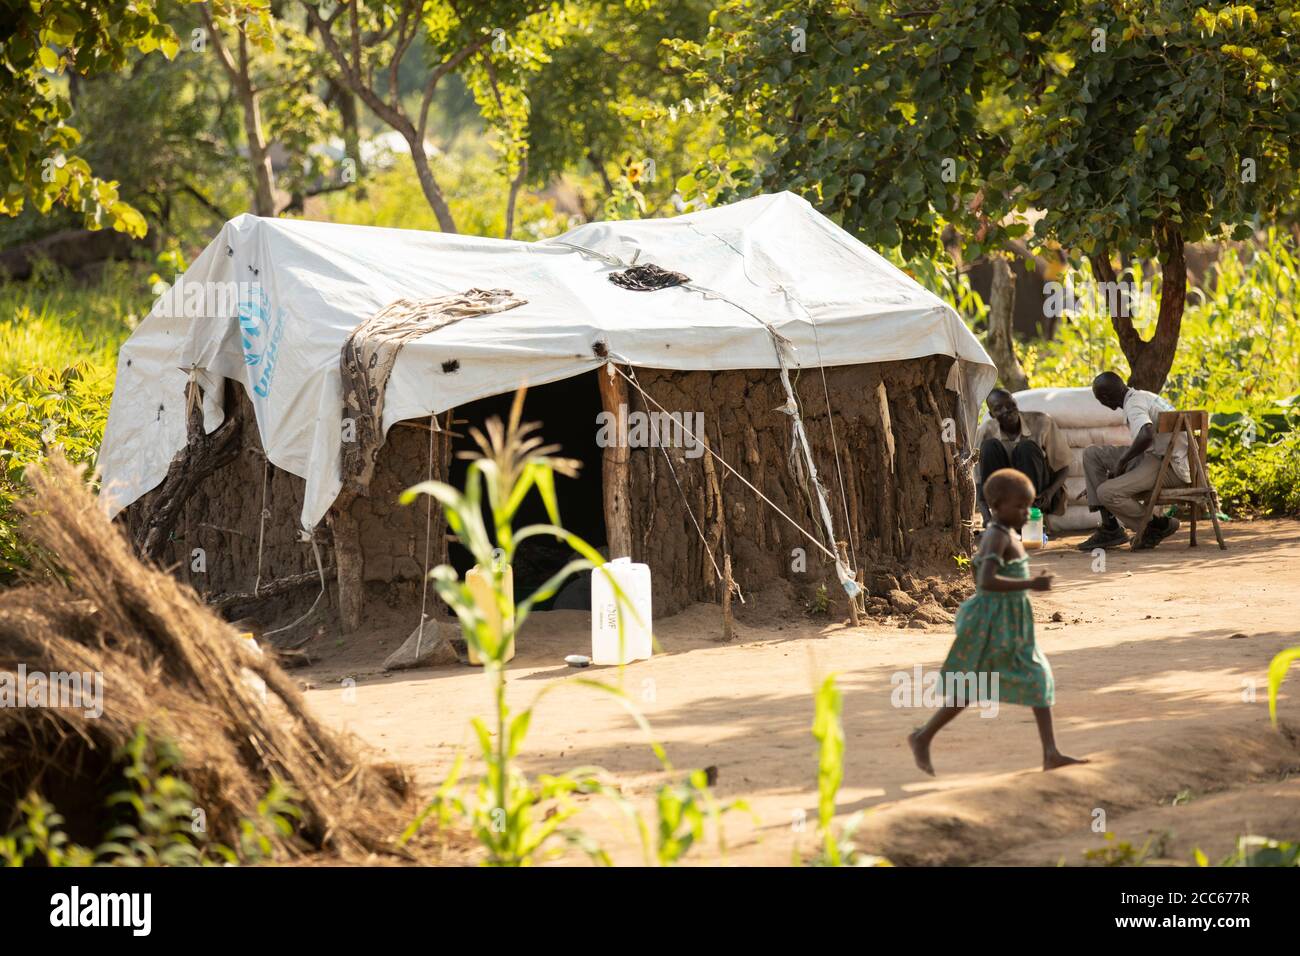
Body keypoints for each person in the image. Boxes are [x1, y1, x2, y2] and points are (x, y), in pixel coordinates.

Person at [909, 469, 1087, 776]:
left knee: (1020, 680)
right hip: (994, 622)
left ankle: (1050, 753)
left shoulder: (1009, 535)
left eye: (1028, 507)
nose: (1025, 513)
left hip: (1010, 622)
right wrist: (1030, 585)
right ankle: (923, 736)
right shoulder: (995, 536)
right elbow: (987, 581)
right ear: (996, 506)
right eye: (1019, 507)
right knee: (1006, 680)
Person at [1078, 371, 1190, 552]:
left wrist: (1121, 462)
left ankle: (1157, 526)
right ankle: (1110, 528)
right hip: (1157, 456)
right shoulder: (1143, 396)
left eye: (1100, 399)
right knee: (1092, 454)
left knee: (1106, 493)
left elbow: (1145, 434)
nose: (1101, 403)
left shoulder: (1134, 404)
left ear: (1105, 398)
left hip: (1170, 466)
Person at [974, 388, 1071, 528]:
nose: (1007, 410)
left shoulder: (1041, 422)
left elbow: (1063, 466)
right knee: (989, 447)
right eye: (998, 408)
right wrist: (986, 517)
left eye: (1010, 404)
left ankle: (1032, 516)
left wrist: (1049, 493)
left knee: (1027, 448)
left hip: (1039, 493)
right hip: (1005, 493)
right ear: (992, 414)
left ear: (1015, 403)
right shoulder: (986, 430)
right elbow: (978, 480)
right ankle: (1003, 515)